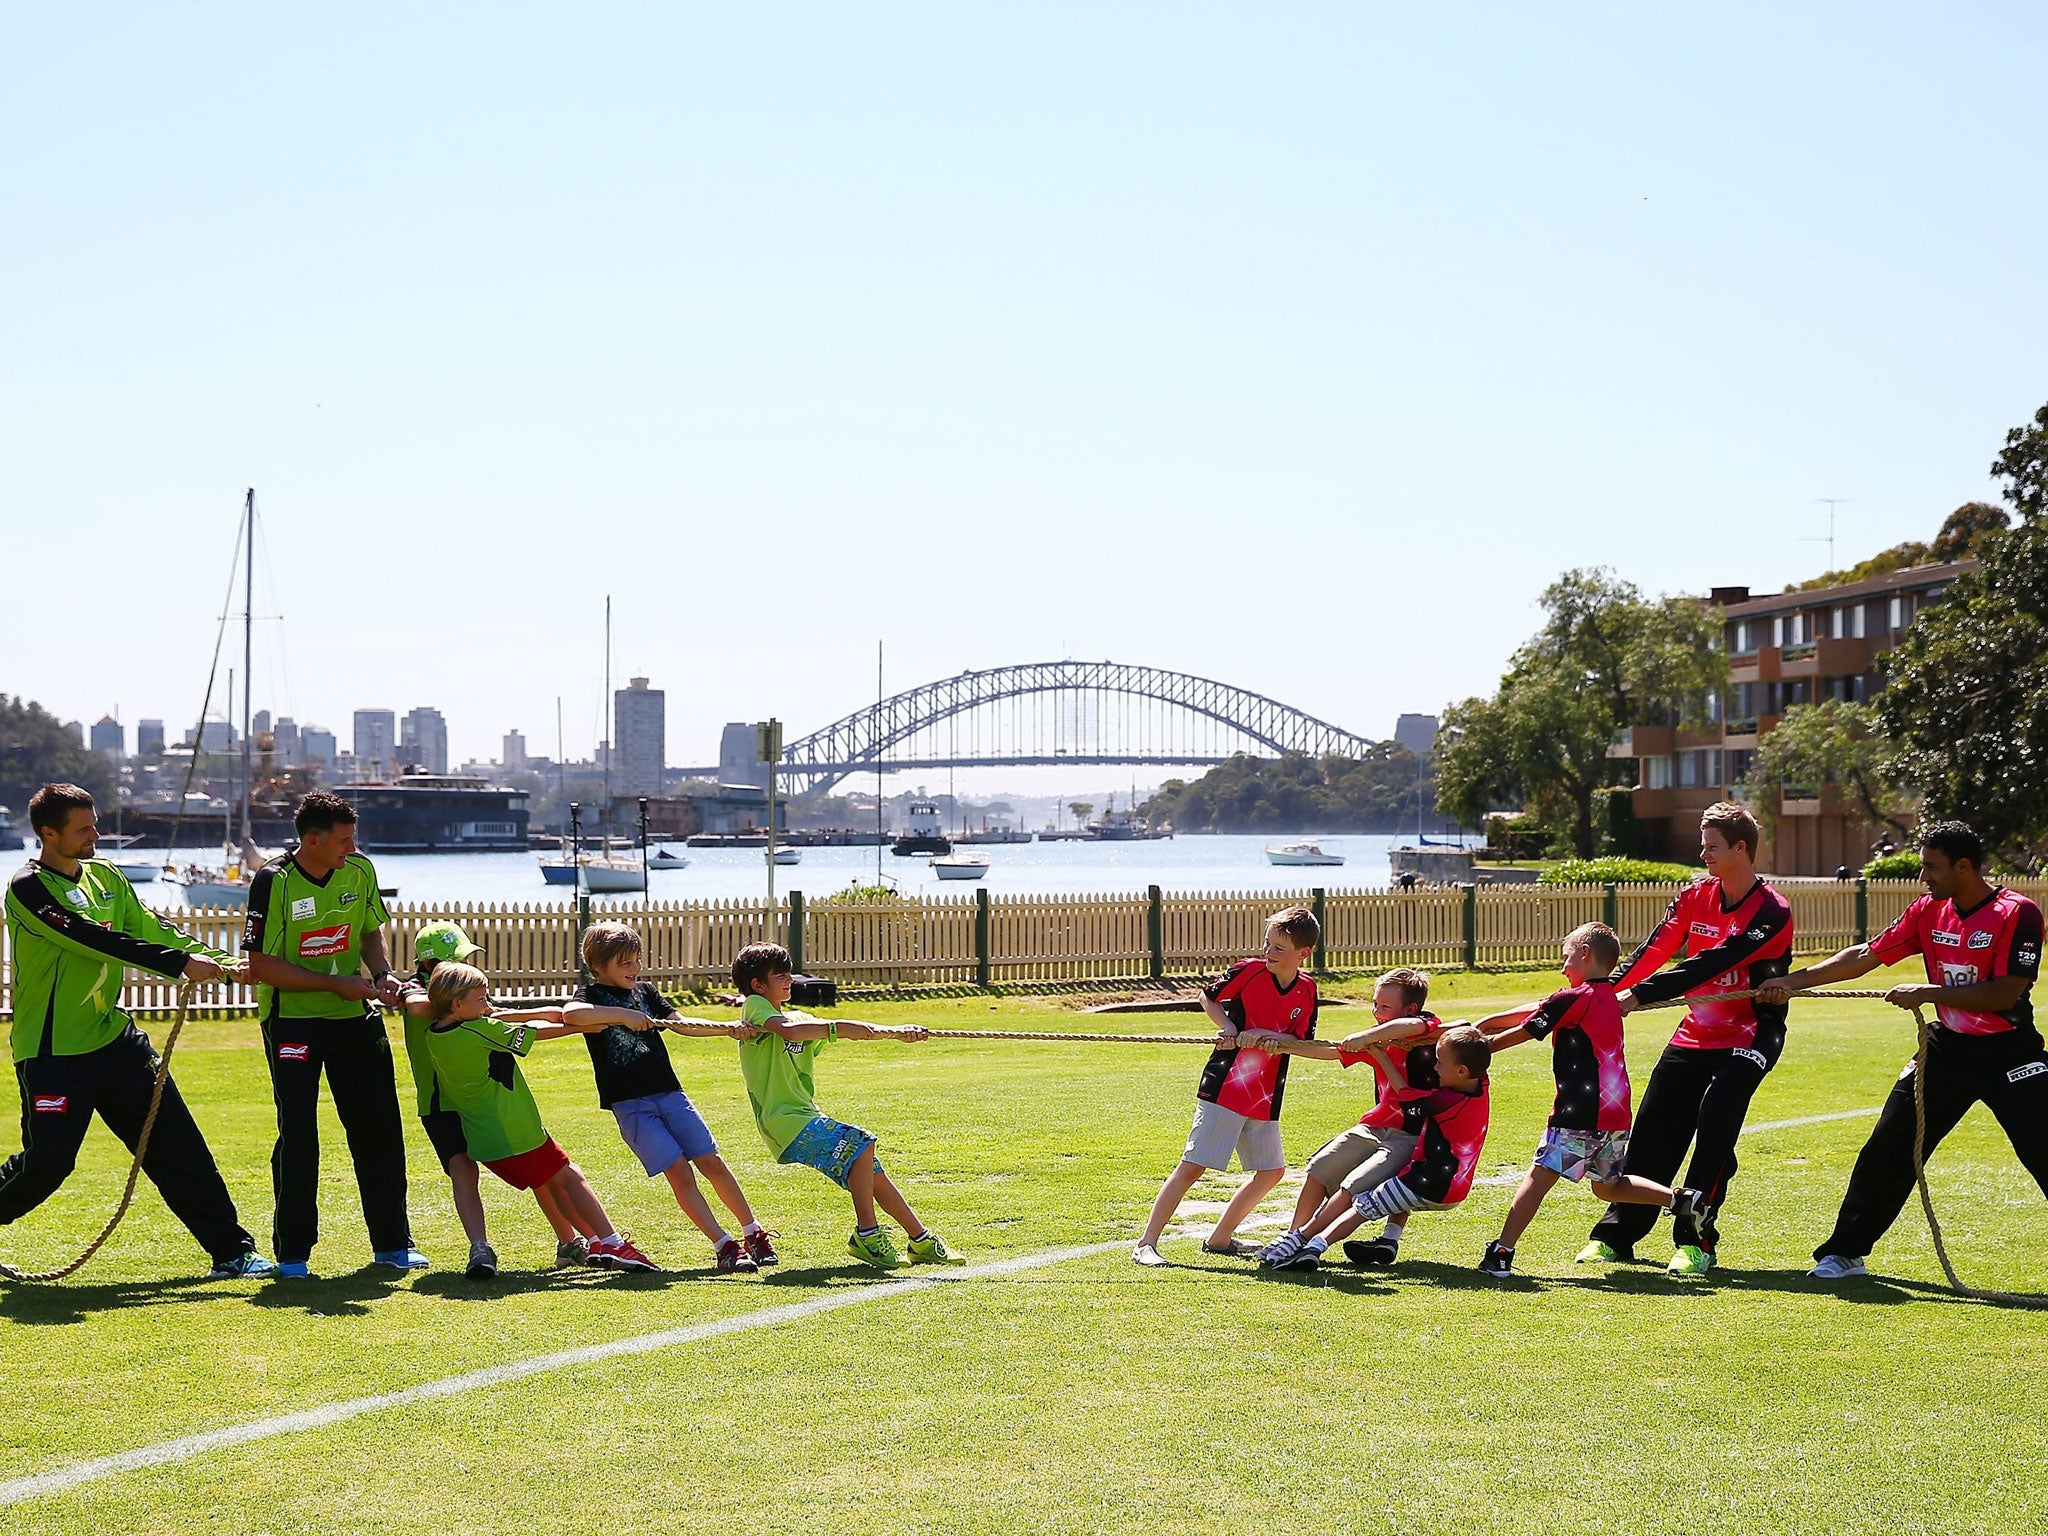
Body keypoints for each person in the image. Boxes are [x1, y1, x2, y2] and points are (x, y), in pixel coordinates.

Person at [1, 783, 274, 1279]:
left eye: (94, 824)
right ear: (47, 833)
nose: (95, 836)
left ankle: (232, 1251)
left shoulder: (106, 877)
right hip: (53, 1054)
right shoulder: (28, 889)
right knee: (48, 1166)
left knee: (177, 1146)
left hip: (116, 1043)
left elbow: (149, 927)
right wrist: (178, 965)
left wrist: (219, 960)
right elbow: (91, 940)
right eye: (83, 829)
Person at [1758, 821, 2048, 1280]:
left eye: (1932, 867)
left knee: (2043, 1146)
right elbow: (1865, 956)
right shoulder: (1927, 911)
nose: (1923, 877)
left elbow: (2004, 994)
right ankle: (1845, 1253)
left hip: (2011, 1052)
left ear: (1965, 867)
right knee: (1890, 1144)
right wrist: (1793, 982)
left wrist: (1929, 992)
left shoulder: (2019, 913)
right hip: (1945, 1050)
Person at [1583, 801, 1794, 1276]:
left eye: (1712, 847)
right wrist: (1599, 994)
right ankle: (1618, 1234)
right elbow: (1654, 949)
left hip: (1751, 1032)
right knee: (1656, 1124)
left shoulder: (1771, 911)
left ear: (1742, 848)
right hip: (1696, 1032)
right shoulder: (1694, 895)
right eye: (1702, 847)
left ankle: (1697, 1239)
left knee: (1716, 1118)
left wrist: (1640, 996)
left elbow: (1712, 962)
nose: (1704, 856)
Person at [243, 792, 419, 1278]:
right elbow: (260, 966)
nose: (352, 846)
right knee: (300, 1135)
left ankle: (392, 1245)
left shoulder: (359, 871)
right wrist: (334, 984)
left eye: (352, 837)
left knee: (380, 1128)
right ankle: (293, 1255)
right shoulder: (272, 881)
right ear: (312, 841)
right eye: (343, 840)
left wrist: (381, 973)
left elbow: (368, 932)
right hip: (292, 1022)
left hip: (354, 1017)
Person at [1475, 923, 1706, 1278]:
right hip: (1613, 1115)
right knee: (1607, 1185)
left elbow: (1528, 1028)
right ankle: (1679, 1199)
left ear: (1584, 954)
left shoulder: (1573, 998)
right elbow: (1537, 1009)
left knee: (1538, 1178)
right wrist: (1484, 1023)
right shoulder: (1610, 997)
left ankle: (1501, 1252)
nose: (1563, 968)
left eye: (1566, 958)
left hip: (1577, 1114)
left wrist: (1480, 1048)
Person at [731, 942, 965, 1270]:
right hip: (784, 1121)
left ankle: (921, 1239)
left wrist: (899, 1033)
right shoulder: (755, 1008)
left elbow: (853, 1031)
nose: (789, 981)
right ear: (757, 985)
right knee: (861, 1141)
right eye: (780, 976)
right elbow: (789, 1031)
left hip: (804, 1117)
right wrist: (837, 1027)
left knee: (871, 1170)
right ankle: (867, 1235)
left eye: (789, 974)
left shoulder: (797, 1015)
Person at [421, 962, 658, 1272]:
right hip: (516, 1133)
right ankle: (613, 1242)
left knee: (550, 1183)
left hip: (484, 1141)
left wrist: (563, 1015)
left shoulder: (435, 1035)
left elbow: (524, 1019)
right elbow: (534, 1032)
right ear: (457, 1004)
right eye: (481, 999)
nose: (488, 1005)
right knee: (571, 1177)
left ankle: (592, 1243)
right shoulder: (478, 1029)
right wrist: (583, 1026)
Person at [566, 922, 771, 1274]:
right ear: (598, 967)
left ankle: (753, 1231)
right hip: (631, 1106)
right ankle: (724, 1245)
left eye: (636, 960)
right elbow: (572, 1015)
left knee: (712, 1162)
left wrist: (727, 1029)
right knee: (679, 1173)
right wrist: (624, 1016)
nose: (635, 969)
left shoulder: (646, 992)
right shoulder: (591, 996)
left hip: (670, 1094)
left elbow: (681, 1023)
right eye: (625, 963)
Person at [397, 920, 587, 1279]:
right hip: (442, 1103)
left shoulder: (469, 995)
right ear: (427, 964)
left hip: (488, 1099)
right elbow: (420, 1007)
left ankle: (568, 1242)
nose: (466, 966)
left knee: (537, 1168)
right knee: (462, 1168)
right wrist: (449, 1004)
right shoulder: (417, 991)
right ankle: (479, 1249)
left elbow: (500, 1021)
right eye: (456, 960)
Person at [1133, 907, 1321, 1267]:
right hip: (1226, 1088)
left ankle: (1220, 1239)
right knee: (1194, 1165)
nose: (1269, 953)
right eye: (1268, 944)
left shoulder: (1308, 990)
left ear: (1303, 954)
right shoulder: (1248, 971)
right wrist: (1231, 1030)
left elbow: (1302, 1042)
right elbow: (1208, 997)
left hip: (1266, 1095)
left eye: (1279, 948)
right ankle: (1146, 1243)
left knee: (1272, 1171)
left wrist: (1271, 1038)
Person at [1257, 1025, 1494, 1270]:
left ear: (1462, 1070)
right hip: (1454, 1188)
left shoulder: (1443, 1101)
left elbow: (1405, 1095)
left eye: (1440, 1063)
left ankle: (1308, 1243)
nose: (1435, 1068)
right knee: (1374, 1199)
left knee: (1363, 1206)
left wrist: (1379, 1052)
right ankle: (1380, 1242)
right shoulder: (1481, 1084)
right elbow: (1475, 1049)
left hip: (1424, 1183)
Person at [1254, 967, 1442, 1269]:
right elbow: (1329, 1052)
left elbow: (1414, 1025)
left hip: (1411, 1135)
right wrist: (1279, 1044)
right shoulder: (1376, 1042)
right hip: (1373, 1126)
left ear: (1410, 1008)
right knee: (1320, 1167)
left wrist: (1369, 1037)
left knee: (1354, 1184)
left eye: (1384, 1007)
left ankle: (1304, 1239)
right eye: (1375, 1004)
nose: (1376, 1012)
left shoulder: (1428, 1030)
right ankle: (1292, 1235)